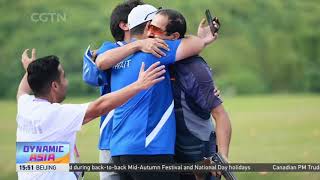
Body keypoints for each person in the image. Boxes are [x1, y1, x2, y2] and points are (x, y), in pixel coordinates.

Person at [93, 4, 217, 180]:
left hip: (119, 150)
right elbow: (196, 44)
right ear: (148, 26)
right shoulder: (156, 50)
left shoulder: (116, 56)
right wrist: (188, 36)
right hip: (149, 149)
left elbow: (100, 62)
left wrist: (138, 44)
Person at [16, 48, 166, 180]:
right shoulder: (55, 114)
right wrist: (139, 85)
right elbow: (99, 107)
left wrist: (31, 70)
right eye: (63, 77)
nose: (66, 82)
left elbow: (22, 91)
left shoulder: (26, 106)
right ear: (54, 85)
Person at [147, 9, 232, 180]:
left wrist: (222, 156)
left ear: (174, 36)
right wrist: (202, 41)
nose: (149, 34)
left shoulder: (195, 68)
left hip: (198, 155)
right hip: (169, 155)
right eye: (148, 27)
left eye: (155, 30)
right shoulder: (152, 58)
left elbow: (221, 115)